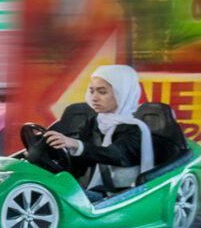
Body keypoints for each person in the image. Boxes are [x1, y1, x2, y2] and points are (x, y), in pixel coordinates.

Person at [40, 64, 153, 194]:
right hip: (95, 189)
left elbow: (116, 155)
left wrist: (76, 145)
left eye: (102, 92)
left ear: (121, 93)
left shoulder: (134, 129)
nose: (94, 98)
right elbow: (83, 158)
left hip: (120, 194)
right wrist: (48, 152)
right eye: (92, 91)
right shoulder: (96, 122)